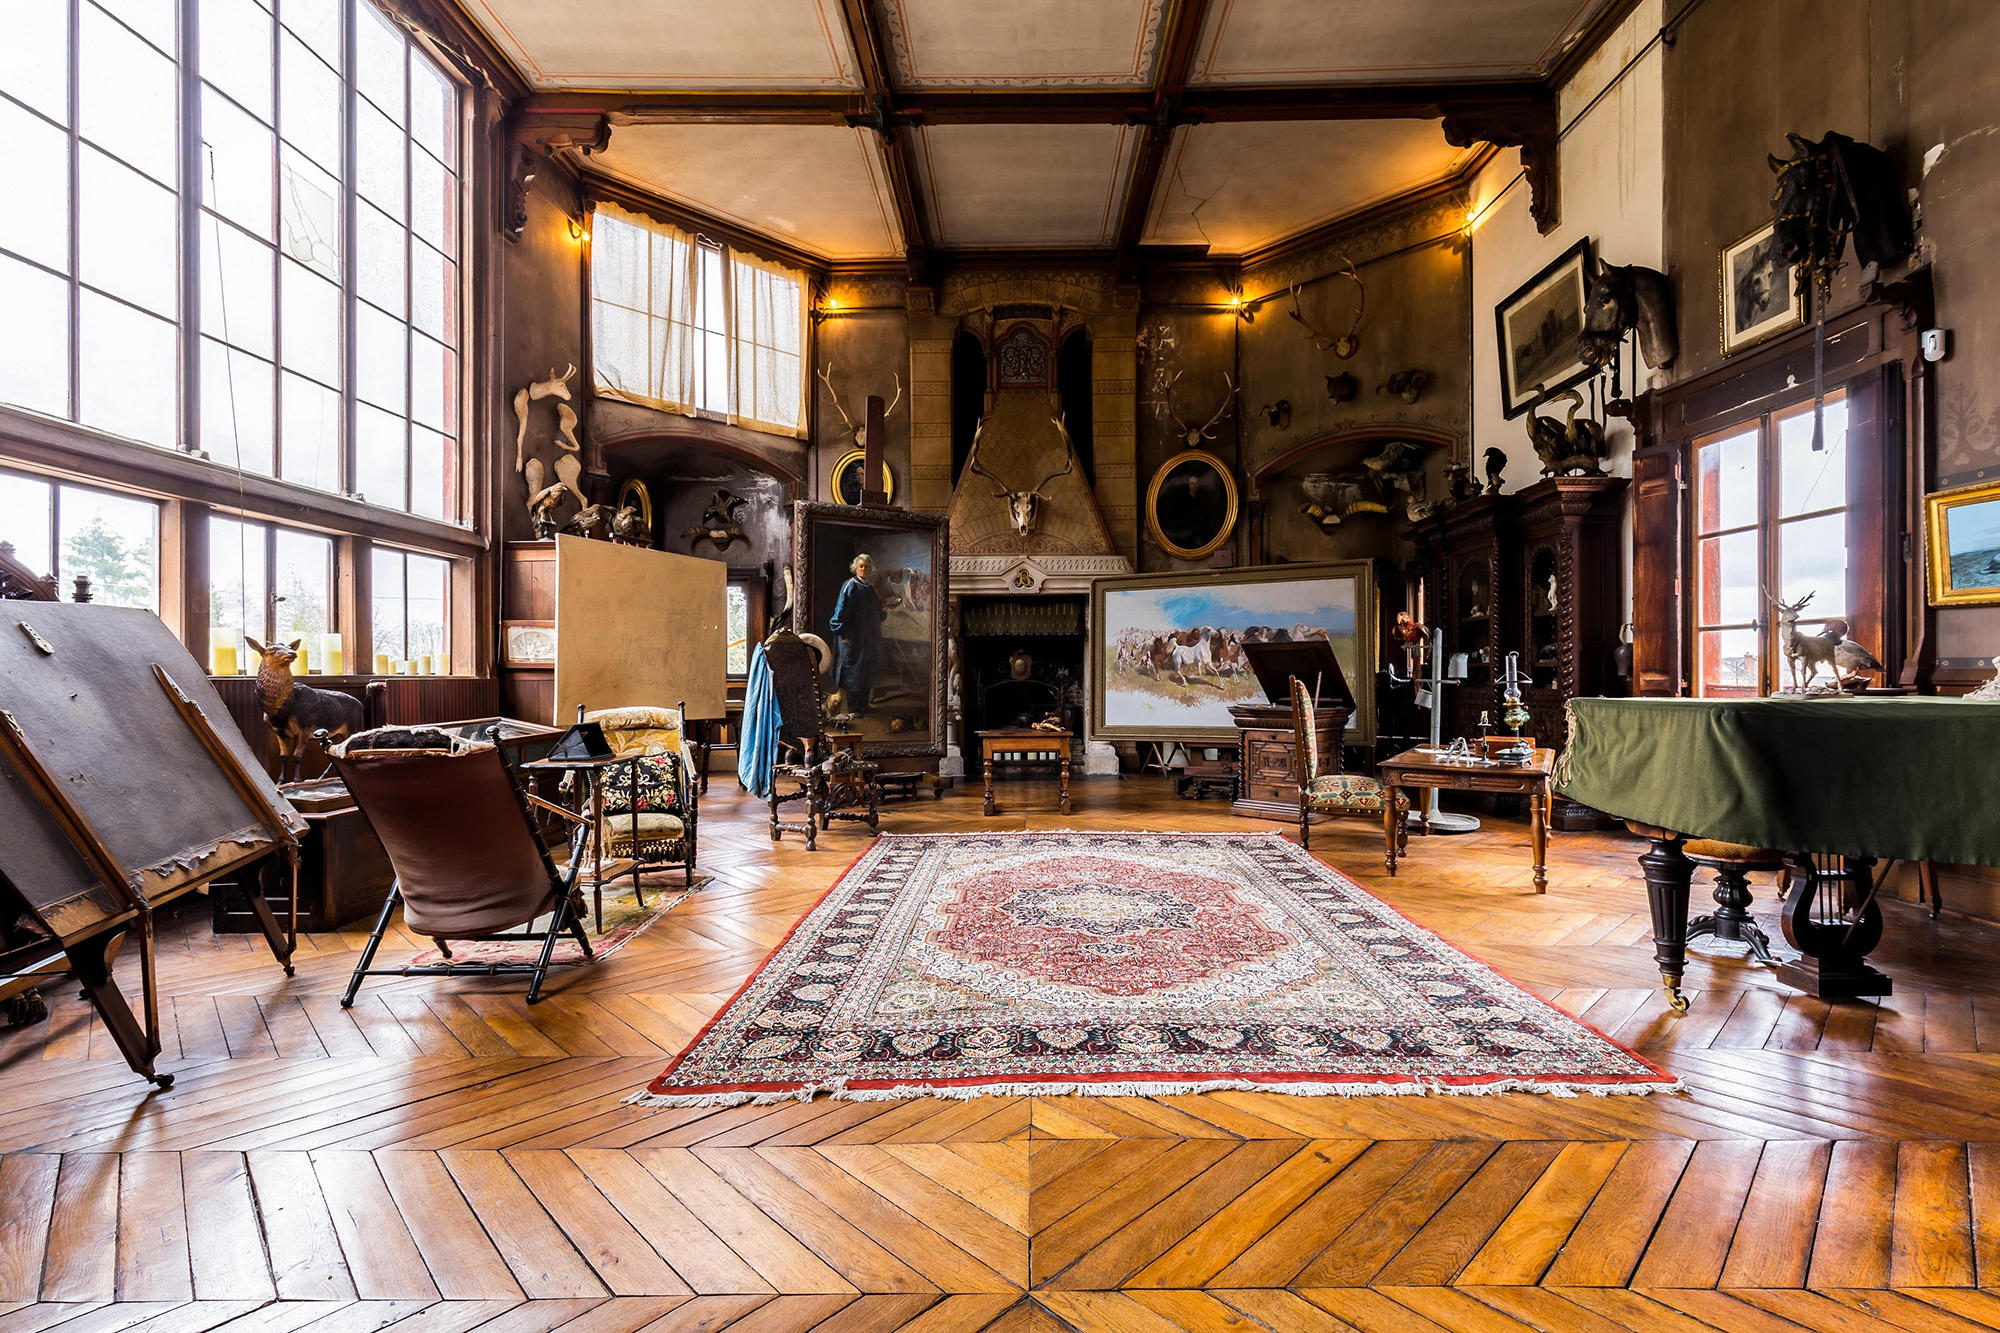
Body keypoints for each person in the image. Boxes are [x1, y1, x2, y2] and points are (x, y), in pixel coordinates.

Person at [829, 553, 886, 716]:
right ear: (855, 568)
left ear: (870, 569)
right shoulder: (850, 586)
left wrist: (883, 612)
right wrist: (844, 634)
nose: (864, 569)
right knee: (854, 673)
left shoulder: (869, 588)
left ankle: (864, 706)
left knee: (866, 672)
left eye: (866, 567)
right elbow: (838, 615)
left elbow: (876, 613)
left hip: (868, 638)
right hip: (852, 637)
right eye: (861, 566)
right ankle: (854, 709)